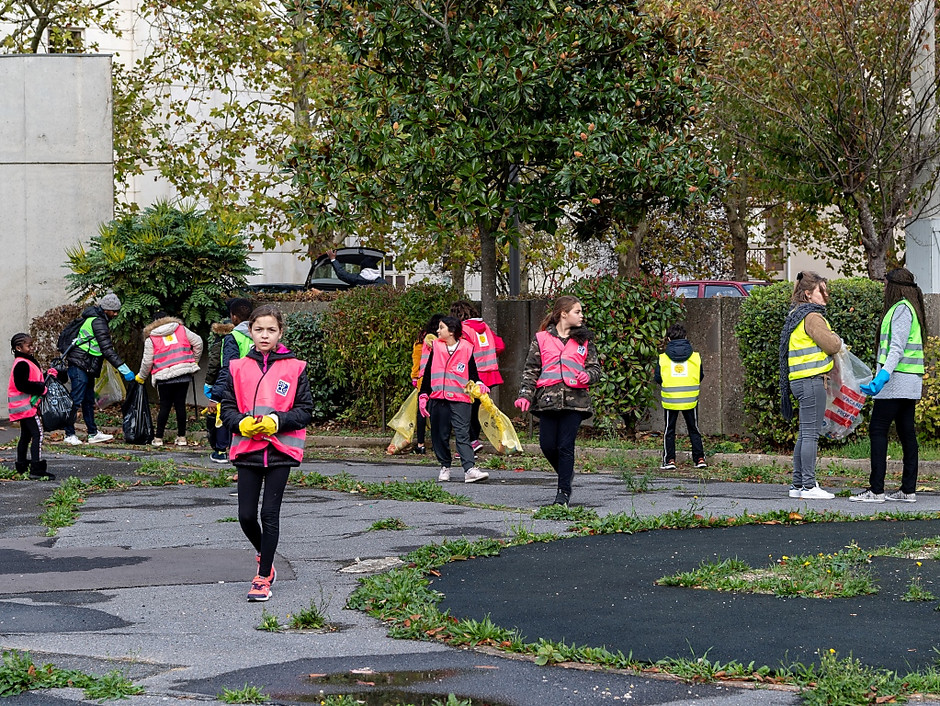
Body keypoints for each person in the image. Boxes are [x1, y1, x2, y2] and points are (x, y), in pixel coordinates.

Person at [219, 305, 313, 602]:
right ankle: (265, 555)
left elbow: (305, 411)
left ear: (280, 333)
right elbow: (228, 407)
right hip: (247, 448)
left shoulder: (296, 367)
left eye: (271, 330)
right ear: (250, 331)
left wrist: (278, 421)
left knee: (269, 513)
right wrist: (240, 423)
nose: (264, 335)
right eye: (259, 329)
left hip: (280, 450)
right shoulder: (237, 367)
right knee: (246, 515)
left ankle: (263, 577)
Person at [514, 295, 601, 506]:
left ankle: (563, 492)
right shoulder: (542, 338)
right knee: (547, 445)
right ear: (564, 314)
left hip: (575, 402)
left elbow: (595, 369)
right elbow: (531, 370)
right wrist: (525, 395)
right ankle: (566, 473)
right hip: (547, 401)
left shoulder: (584, 340)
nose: (581, 316)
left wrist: (587, 376)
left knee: (565, 445)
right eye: (577, 312)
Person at [851, 268, 927, 504]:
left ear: (893, 286)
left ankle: (876, 490)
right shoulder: (911, 308)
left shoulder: (901, 309)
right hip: (909, 381)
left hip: (896, 382)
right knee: (906, 433)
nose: (884, 288)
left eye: (885, 284)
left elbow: (896, 348)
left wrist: (882, 376)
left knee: (878, 430)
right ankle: (907, 489)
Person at [779, 272, 843, 500]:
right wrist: (837, 338)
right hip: (811, 381)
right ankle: (808, 485)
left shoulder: (796, 314)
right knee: (811, 435)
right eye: (821, 290)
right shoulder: (813, 317)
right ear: (808, 294)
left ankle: (798, 484)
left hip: (798, 381)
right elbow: (832, 345)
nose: (825, 294)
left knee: (804, 434)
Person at [418, 315, 490, 483]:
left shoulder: (466, 348)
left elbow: (472, 372)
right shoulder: (436, 347)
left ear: (451, 331)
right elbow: (428, 372)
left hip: (460, 399)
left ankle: (469, 469)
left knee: (462, 434)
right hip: (438, 398)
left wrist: (479, 383)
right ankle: (445, 466)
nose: (437, 330)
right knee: (439, 434)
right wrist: (423, 394)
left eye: (441, 327)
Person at [62, 292, 136, 445]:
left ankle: (92, 433)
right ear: (105, 309)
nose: (115, 314)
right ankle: (69, 434)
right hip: (80, 363)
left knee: (88, 400)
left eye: (117, 311)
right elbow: (107, 349)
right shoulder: (98, 322)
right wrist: (124, 369)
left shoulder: (97, 319)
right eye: (113, 311)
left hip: (86, 364)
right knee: (76, 400)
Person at [135, 313, 203, 447]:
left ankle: (158, 438)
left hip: (163, 376)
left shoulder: (151, 338)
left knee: (165, 406)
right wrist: (192, 362)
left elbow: (147, 361)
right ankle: (182, 437)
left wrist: (141, 377)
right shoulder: (181, 329)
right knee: (180, 406)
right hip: (183, 373)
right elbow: (198, 342)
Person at [449, 300, 505, 452]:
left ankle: (471, 441)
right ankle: (474, 439)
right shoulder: (485, 327)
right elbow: (500, 346)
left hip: (473, 375)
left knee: (466, 409)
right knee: (478, 409)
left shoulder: (464, 330)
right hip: (490, 373)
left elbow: (462, 351)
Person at [206, 298, 254, 463]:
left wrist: (215, 396)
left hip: (236, 387)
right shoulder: (261, 335)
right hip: (257, 386)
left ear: (234, 317)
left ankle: (220, 451)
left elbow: (228, 369)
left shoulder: (233, 338)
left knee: (223, 416)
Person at [655, 323, 706, 470]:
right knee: (693, 429)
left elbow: (658, 378)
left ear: (669, 339)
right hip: (690, 399)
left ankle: (669, 460)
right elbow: (700, 375)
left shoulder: (663, 358)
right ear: (685, 337)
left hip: (671, 399)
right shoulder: (695, 357)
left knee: (669, 430)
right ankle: (699, 459)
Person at [8, 333, 55, 480]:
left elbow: (34, 379)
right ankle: (37, 468)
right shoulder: (22, 363)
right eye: (29, 346)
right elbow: (22, 384)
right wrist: (41, 389)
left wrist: (47, 374)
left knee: (26, 436)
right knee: (38, 434)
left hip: (22, 406)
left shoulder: (25, 361)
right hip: (26, 407)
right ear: (18, 348)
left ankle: (22, 465)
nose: (32, 348)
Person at [410, 314, 444, 455]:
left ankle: (421, 444)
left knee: (422, 412)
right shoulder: (445, 340)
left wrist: (414, 376)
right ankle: (439, 444)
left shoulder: (422, 339)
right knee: (438, 411)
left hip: (423, 378)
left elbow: (416, 358)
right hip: (440, 378)